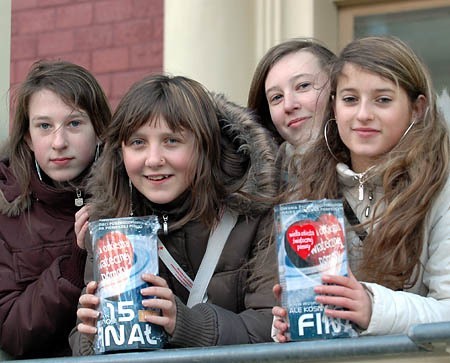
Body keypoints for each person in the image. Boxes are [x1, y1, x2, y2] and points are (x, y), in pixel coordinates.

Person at [69, 74, 279, 355]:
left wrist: (186, 323)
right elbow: (82, 341)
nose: (154, 160)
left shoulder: (255, 211)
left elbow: (272, 325)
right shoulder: (111, 225)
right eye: (138, 143)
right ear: (121, 152)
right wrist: (93, 334)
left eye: (171, 141)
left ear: (204, 146)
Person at [272, 36, 450, 341]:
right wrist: (291, 324)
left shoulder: (441, 186)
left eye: (383, 99)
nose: (363, 114)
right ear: (334, 106)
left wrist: (371, 306)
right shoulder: (309, 187)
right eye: (350, 99)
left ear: (417, 109)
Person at [0, 60, 111, 358]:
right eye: (44, 126)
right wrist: (75, 262)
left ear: (99, 129)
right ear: (28, 137)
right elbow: (11, 331)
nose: (59, 142)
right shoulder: (5, 207)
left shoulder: (133, 193)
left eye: (74, 123)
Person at [247, 38, 336, 171]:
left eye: (303, 86)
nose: (288, 105)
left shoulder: (370, 173)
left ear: (336, 88)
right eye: (277, 97)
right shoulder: (257, 186)